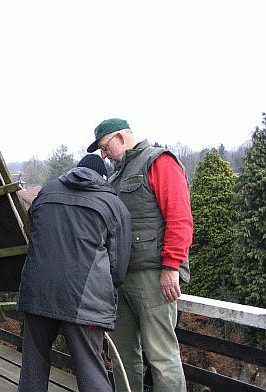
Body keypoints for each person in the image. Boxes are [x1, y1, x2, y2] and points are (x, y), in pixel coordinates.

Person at [87, 118, 193, 392]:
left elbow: (180, 218)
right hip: (119, 280)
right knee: (122, 357)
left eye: (105, 147)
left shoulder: (159, 161)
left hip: (153, 278)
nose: (104, 155)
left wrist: (171, 268)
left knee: (161, 357)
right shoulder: (114, 176)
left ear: (121, 138)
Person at [17, 154, 132, 392]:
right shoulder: (113, 204)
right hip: (84, 302)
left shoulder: (46, 193)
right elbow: (118, 267)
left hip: (38, 293)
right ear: (103, 177)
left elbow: (34, 234)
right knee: (90, 369)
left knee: (33, 367)